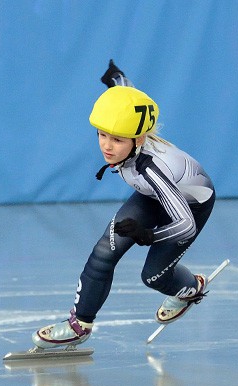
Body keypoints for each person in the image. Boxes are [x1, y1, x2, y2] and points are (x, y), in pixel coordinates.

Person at [32, 61, 216, 349]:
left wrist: (150, 236)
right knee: (104, 252)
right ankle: (79, 325)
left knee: (153, 276)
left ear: (139, 139)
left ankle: (192, 286)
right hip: (154, 195)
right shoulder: (131, 133)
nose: (107, 146)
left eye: (117, 140)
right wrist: (116, 79)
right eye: (102, 135)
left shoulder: (151, 167)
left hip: (189, 207)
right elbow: (127, 98)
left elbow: (186, 224)